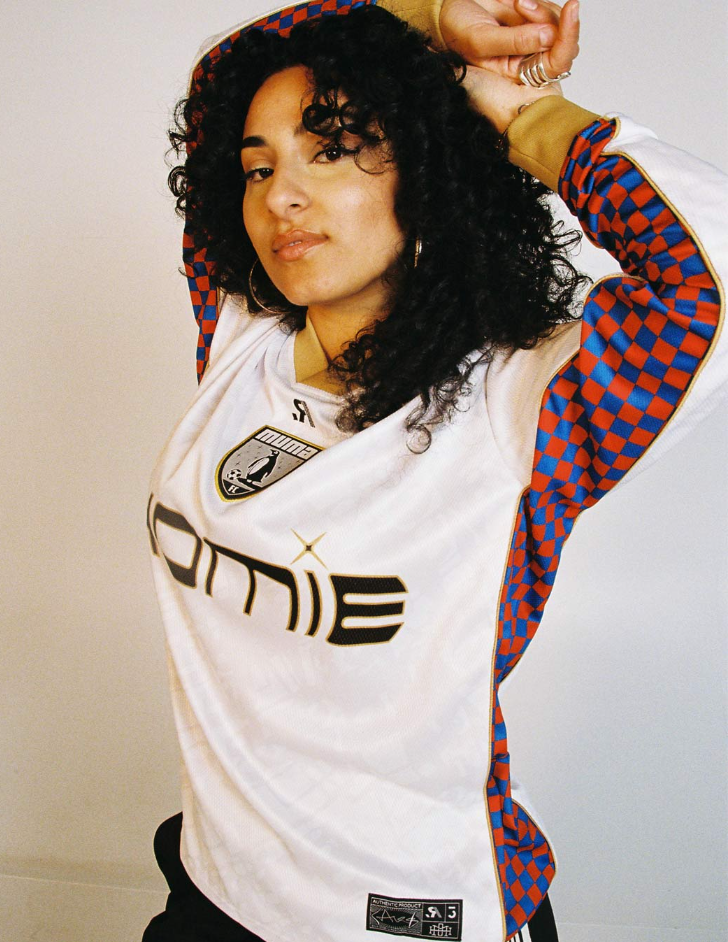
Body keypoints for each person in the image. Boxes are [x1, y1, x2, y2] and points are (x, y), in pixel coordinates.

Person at [143, 1, 727, 940]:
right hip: (215, 890)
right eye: (259, 168)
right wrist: (431, 16)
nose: (281, 195)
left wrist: (502, 104)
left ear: (427, 171)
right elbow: (224, 76)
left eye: (331, 150)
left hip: (404, 917)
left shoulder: (522, 407)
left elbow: (711, 275)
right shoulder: (238, 339)